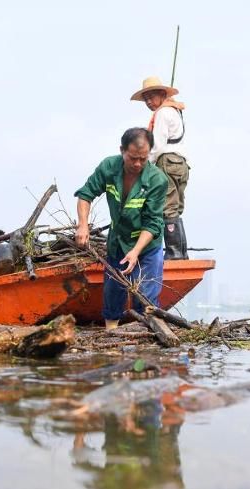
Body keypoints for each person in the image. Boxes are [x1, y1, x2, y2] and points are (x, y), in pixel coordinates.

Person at [75, 128, 168, 330]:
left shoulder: (157, 180)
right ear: (122, 151)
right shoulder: (109, 167)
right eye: (132, 158)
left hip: (147, 245)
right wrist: (83, 225)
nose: (137, 164)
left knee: (144, 296)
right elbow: (85, 195)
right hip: (118, 240)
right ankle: (111, 336)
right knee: (113, 290)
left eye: (143, 159)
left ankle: (145, 336)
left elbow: (153, 222)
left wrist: (135, 252)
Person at [131, 76, 190, 260]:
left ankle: (174, 253)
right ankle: (181, 252)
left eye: (152, 96)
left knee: (167, 208)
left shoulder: (163, 113)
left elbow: (156, 146)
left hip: (167, 161)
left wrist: (143, 167)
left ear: (162, 94)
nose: (148, 102)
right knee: (175, 208)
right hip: (181, 164)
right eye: (146, 98)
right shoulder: (175, 110)